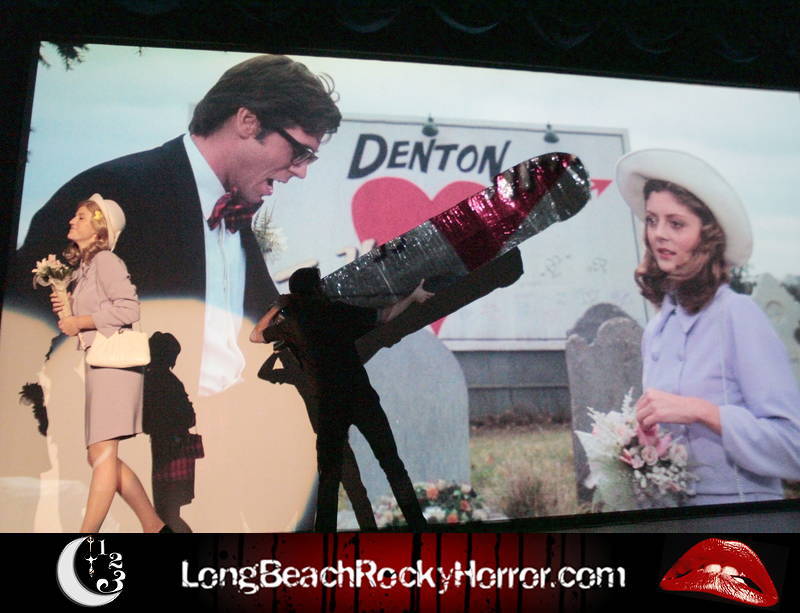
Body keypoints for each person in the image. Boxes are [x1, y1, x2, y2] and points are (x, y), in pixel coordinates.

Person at [10, 54, 341, 395]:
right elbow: (29, 329)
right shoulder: (115, 190)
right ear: (247, 121)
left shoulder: (235, 219)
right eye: (300, 152)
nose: (302, 171)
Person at [616, 149, 800, 505]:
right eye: (652, 220)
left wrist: (702, 412)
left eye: (676, 223)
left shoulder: (737, 314)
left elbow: (793, 447)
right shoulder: (656, 329)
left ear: (708, 236)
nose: (659, 234)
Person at [250, 267, 433, 531]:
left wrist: (279, 306)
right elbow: (385, 315)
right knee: (392, 464)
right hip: (361, 397)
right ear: (317, 288)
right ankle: (417, 525)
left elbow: (256, 335)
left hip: (330, 405)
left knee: (329, 477)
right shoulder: (338, 311)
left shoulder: (292, 324)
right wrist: (413, 296)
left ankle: (325, 535)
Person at [51, 194, 169, 532]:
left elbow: (129, 308)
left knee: (103, 455)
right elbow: (90, 317)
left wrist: (80, 320)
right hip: (100, 363)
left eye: (81, 217)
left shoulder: (106, 261)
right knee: (99, 456)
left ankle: (84, 540)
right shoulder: (86, 268)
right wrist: (69, 311)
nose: (72, 221)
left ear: (100, 229)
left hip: (114, 367)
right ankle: (155, 527)